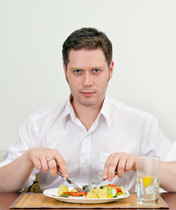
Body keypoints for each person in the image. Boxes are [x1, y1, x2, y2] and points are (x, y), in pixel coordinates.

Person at [0, 27, 176, 192]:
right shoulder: (38, 123)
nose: (87, 82)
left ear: (111, 69)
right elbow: (3, 184)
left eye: (96, 70)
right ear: (65, 71)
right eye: (77, 71)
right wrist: (28, 157)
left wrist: (139, 163)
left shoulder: (143, 123)